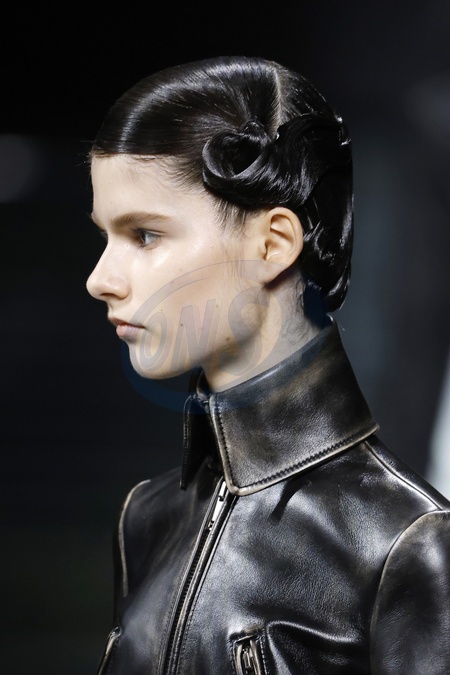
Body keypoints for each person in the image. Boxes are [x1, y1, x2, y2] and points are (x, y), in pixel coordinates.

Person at [86, 56, 450, 675]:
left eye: (145, 234)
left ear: (274, 243)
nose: (100, 279)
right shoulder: (146, 519)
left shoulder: (406, 543)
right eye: (105, 236)